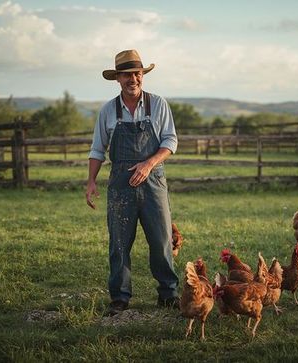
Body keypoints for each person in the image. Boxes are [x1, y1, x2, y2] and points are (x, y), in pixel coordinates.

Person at [85, 49, 180, 316]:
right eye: (127, 74)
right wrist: (91, 182)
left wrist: (149, 164)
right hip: (120, 185)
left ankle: (168, 293)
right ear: (118, 78)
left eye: (137, 73)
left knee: (161, 239)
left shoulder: (158, 104)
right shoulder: (108, 111)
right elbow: (97, 150)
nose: (133, 79)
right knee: (119, 243)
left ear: (142, 75)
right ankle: (120, 297)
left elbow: (170, 141)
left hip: (154, 182)